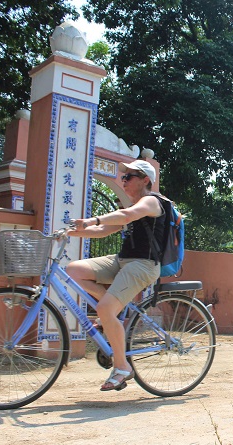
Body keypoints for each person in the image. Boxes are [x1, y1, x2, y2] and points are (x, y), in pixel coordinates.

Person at [66, 159, 164, 391]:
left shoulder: (150, 202)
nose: (124, 180)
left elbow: (128, 215)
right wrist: (72, 231)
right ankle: (112, 308)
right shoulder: (128, 209)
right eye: (123, 176)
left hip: (144, 265)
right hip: (122, 262)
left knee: (105, 309)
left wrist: (93, 218)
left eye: (129, 176)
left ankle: (122, 367)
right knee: (73, 270)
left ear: (145, 180)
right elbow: (101, 231)